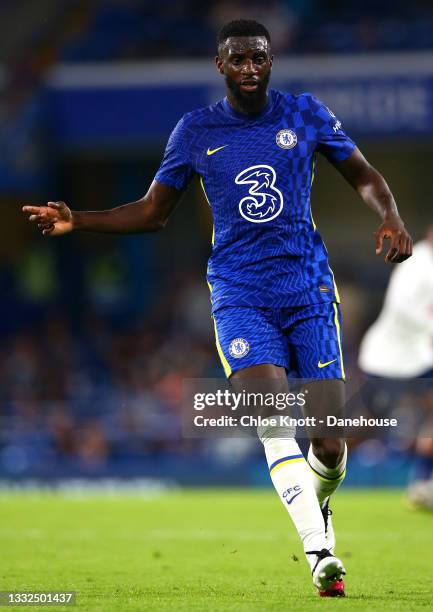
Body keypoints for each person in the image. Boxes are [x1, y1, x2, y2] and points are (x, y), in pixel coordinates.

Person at [22, 19, 412, 597]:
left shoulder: (303, 112)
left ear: (271, 61)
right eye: (238, 59)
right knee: (272, 421)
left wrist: (391, 216)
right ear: (220, 66)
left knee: (329, 442)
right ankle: (319, 551)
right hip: (239, 294)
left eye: (259, 58)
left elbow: (365, 175)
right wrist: (80, 219)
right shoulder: (195, 130)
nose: (250, 68)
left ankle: (319, 507)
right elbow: (153, 212)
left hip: (308, 292)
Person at [358, 226, 433, 509]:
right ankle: (321, 465)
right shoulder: (416, 263)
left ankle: (422, 483)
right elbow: (402, 308)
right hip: (388, 357)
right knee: (367, 423)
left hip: (421, 358)